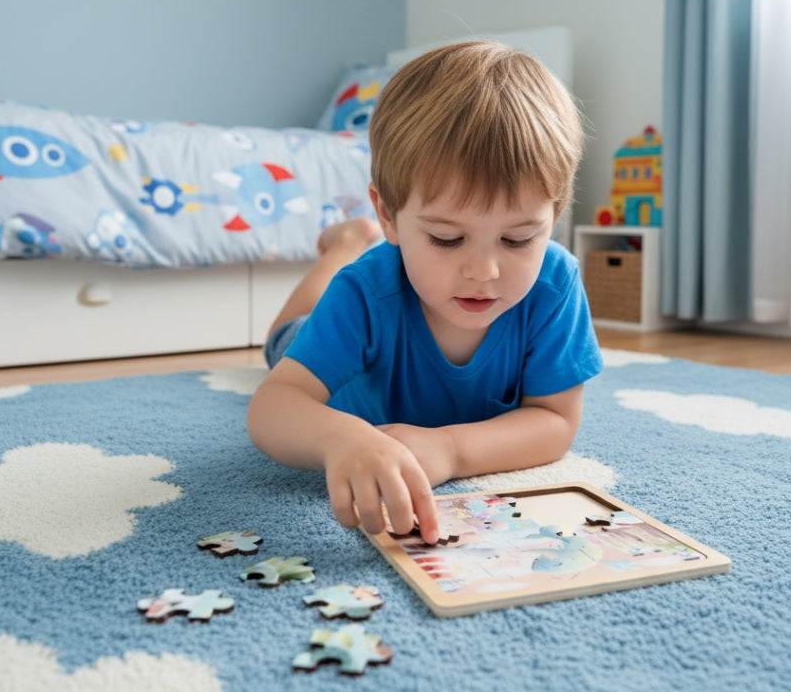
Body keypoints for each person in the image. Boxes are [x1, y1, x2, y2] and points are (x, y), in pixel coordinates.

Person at [247, 40, 603, 544]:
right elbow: (273, 405)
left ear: (556, 213)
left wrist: (451, 450)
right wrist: (339, 438)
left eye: (518, 238)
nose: (484, 271)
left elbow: (555, 422)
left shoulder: (554, 284)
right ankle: (346, 244)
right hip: (337, 348)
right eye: (446, 238)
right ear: (389, 215)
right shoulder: (366, 291)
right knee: (285, 337)